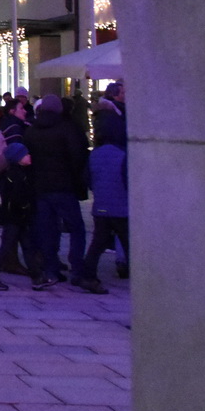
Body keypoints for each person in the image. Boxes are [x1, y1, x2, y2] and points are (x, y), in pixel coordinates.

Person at [24, 94, 90, 289]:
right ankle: (77, 268)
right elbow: (78, 156)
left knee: (48, 229)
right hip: (64, 186)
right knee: (76, 228)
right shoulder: (67, 128)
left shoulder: (32, 130)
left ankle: (51, 268)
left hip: (41, 187)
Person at [77, 114, 128, 291]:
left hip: (101, 206)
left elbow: (88, 179)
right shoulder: (123, 154)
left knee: (98, 243)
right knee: (129, 243)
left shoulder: (95, 154)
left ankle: (88, 275)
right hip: (121, 207)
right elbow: (128, 180)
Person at [0, 141, 42, 290]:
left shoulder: (22, 172)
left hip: (20, 217)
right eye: (25, 154)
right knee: (7, 246)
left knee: (27, 246)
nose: (29, 156)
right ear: (17, 158)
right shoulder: (14, 175)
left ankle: (37, 277)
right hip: (14, 218)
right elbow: (17, 197)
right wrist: (25, 207)